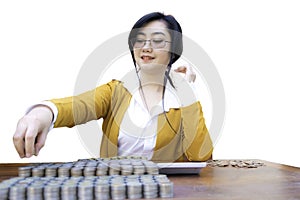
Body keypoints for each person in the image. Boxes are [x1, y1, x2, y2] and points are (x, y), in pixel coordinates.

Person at [13, 12, 213, 162]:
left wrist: (188, 92)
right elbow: (76, 106)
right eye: (140, 40)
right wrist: (41, 113)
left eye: (158, 41)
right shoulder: (116, 91)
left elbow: (201, 156)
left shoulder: (182, 101)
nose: (146, 46)